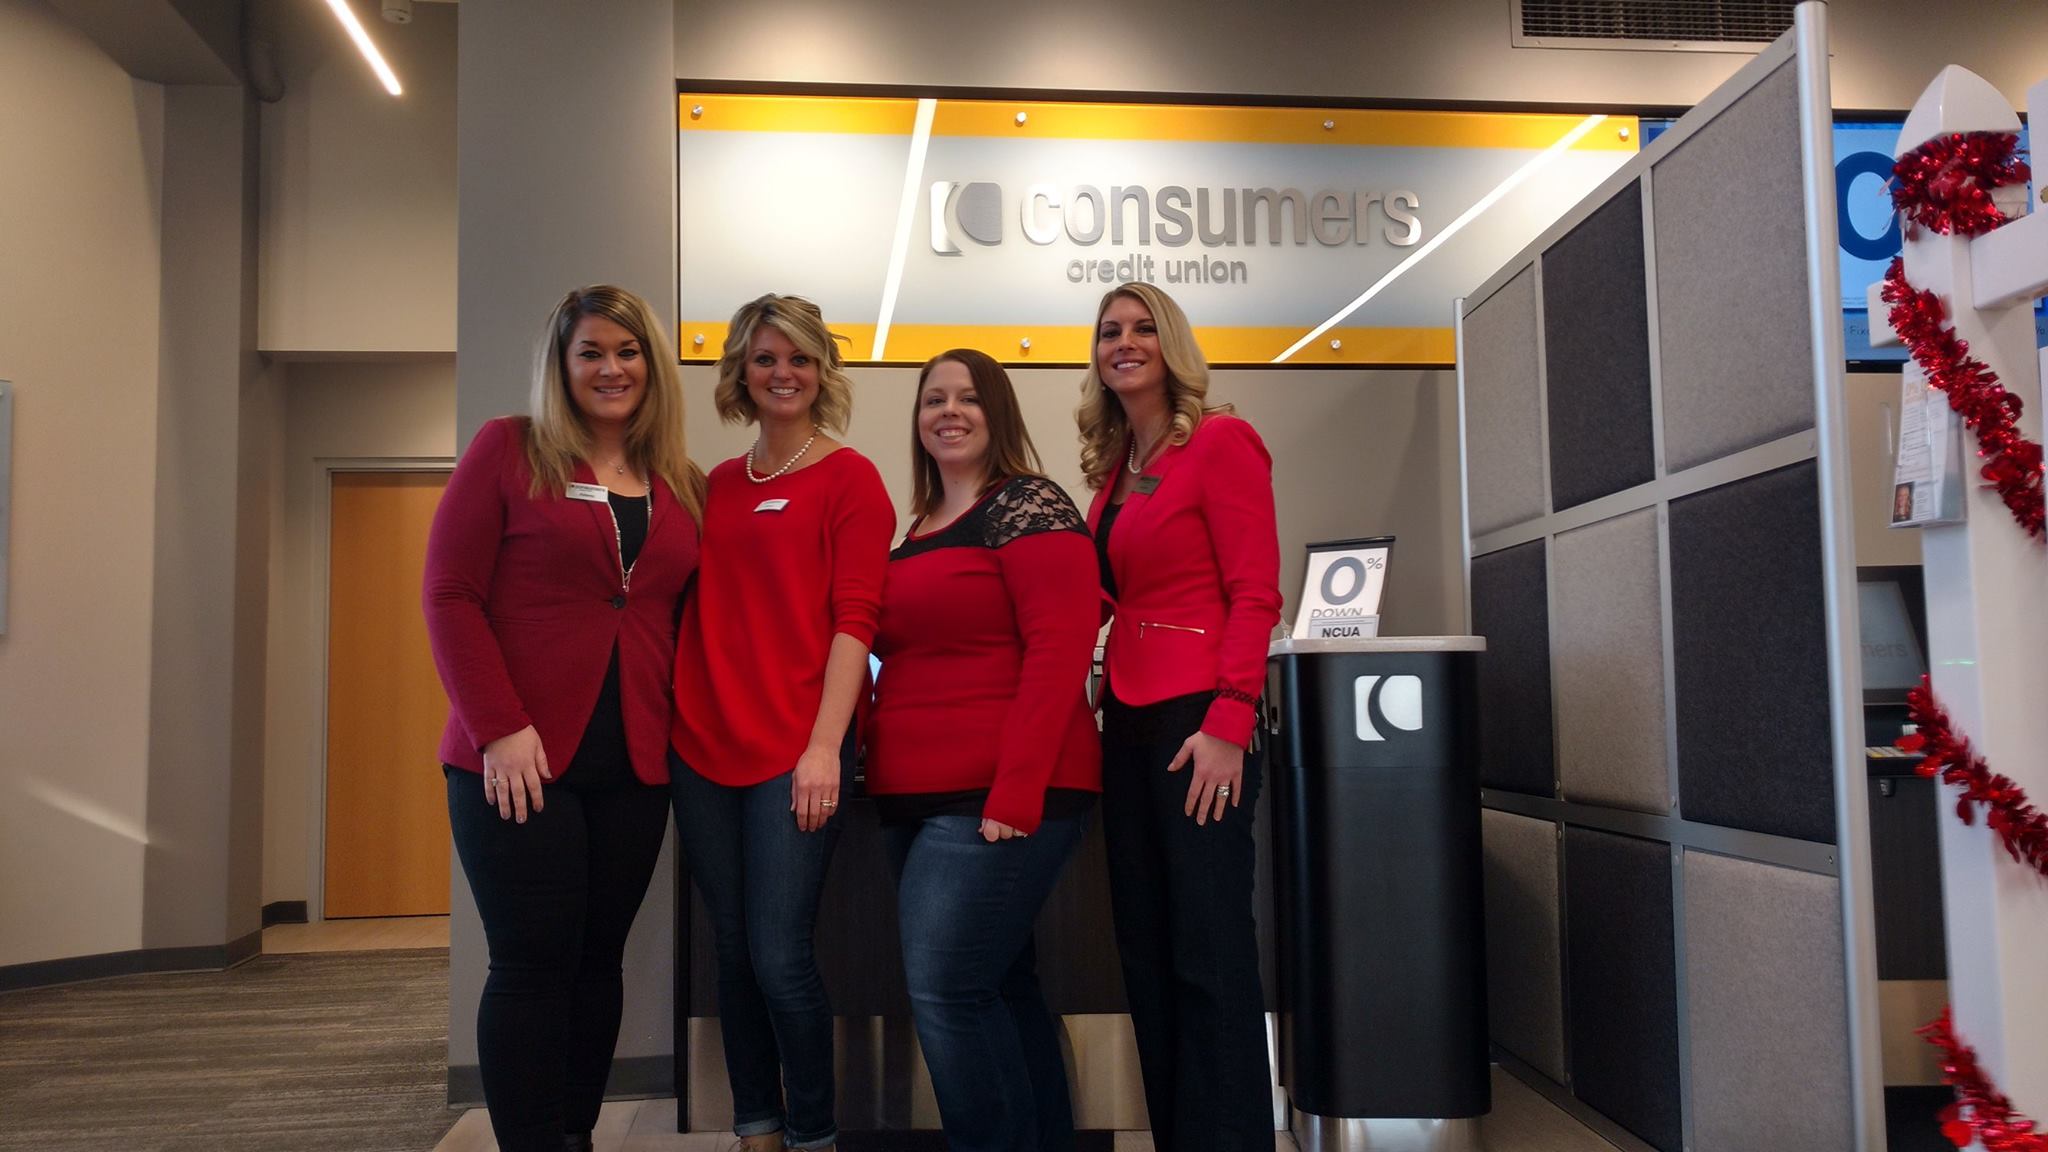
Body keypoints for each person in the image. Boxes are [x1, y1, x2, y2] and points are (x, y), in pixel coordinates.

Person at [423, 285, 706, 1152]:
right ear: (563, 364)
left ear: (651, 366)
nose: (611, 368)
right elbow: (450, 594)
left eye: (628, 351)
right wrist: (498, 726)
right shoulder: (508, 449)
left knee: (597, 964)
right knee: (531, 965)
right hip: (516, 760)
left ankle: (574, 1133)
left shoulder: (679, 483)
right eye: (591, 352)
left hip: (634, 764)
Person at [669, 294, 894, 1152]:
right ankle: (754, 1126)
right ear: (741, 372)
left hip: (791, 755)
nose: (783, 373)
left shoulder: (851, 479)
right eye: (765, 358)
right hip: (700, 746)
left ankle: (812, 1133)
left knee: (779, 954)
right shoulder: (717, 486)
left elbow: (856, 620)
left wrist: (825, 748)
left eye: (798, 358)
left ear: (821, 372)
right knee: (730, 951)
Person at [866, 350, 1102, 1152]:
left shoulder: (1028, 504)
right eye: (934, 399)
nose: (949, 411)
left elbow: (1061, 647)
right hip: (915, 794)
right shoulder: (919, 526)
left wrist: (1017, 790)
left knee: (945, 991)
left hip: (995, 796)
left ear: (997, 411)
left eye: (968, 397)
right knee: (996, 985)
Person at [1077, 284, 1283, 1151]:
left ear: (1172, 345)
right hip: (1125, 724)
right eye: (1109, 332)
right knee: (1149, 960)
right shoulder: (1116, 466)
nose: (1124, 343)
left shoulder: (1223, 441)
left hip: (1201, 726)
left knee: (1210, 959)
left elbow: (1256, 590)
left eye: (1141, 329)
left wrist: (1231, 719)